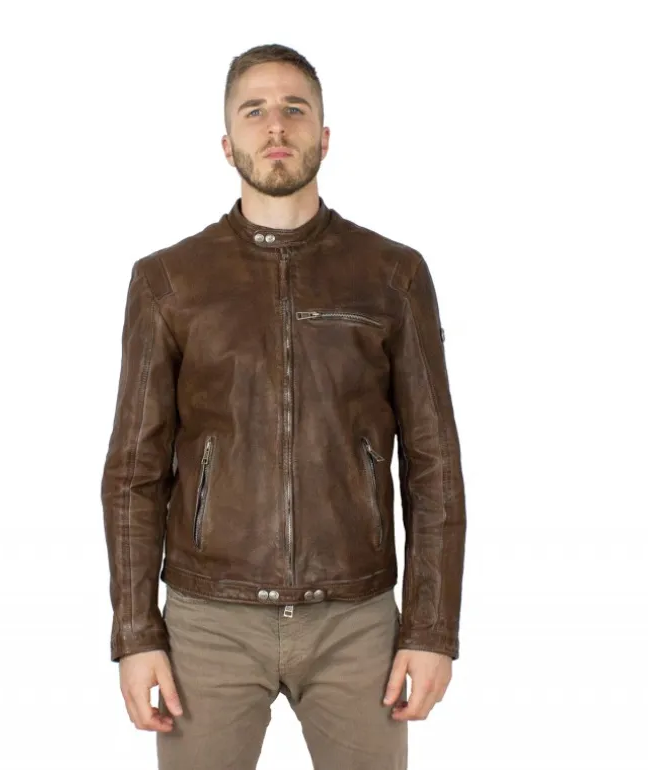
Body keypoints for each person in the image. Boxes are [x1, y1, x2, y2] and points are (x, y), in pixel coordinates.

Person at [101, 42, 467, 770]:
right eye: (255, 111)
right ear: (226, 142)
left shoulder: (393, 275)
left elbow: (434, 466)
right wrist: (136, 634)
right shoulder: (168, 280)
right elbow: (134, 473)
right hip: (209, 621)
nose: (276, 125)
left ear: (324, 136)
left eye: (294, 109)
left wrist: (431, 630)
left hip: (356, 620)